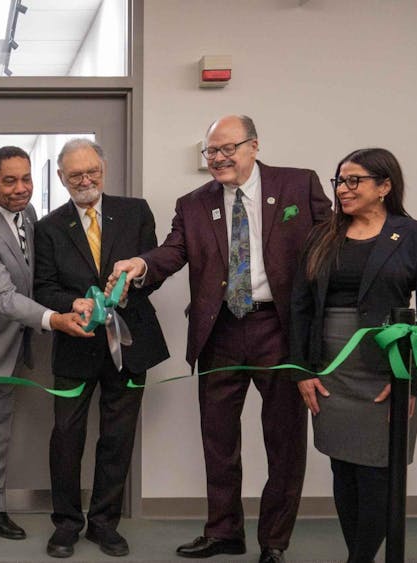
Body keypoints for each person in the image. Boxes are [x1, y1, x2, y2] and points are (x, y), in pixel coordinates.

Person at [109, 115, 332, 563]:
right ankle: (224, 531)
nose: (219, 158)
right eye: (211, 151)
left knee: (284, 442)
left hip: (280, 330)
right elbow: (173, 252)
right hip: (220, 330)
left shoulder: (297, 186)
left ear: (254, 145)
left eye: (228, 148)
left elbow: (331, 243)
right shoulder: (193, 203)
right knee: (218, 440)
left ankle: (274, 541)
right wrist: (141, 264)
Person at [290, 148, 417, 563]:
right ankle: (356, 555)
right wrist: (303, 370)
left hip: (388, 370)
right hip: (331, 369)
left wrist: (410, 380)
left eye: (354, 180)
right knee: (343, 469)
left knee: (379, 472)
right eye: (339, 180)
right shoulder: (321, 233)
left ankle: (358, 559)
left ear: (385, 186)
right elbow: (301, 306)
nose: (343, 189)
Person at [0, 145, 92, 554]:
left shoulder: (28, 215)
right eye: (9, 180)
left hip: (8, 345)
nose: (20, 188)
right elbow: (3, 298)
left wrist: (73, 300)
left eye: (26, 179)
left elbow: (31, 276)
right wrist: (55, 319)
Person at [34, 138, 169, 558]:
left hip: (131, 346)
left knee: (118, 437)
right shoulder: (49, 227)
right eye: (75, 175)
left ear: (103, 169)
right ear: (61, 178)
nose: (86, 180)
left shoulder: (136, 211)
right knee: (66, 438)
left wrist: (129, 288)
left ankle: (104, 523)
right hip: (76, 346)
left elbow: (155, 272)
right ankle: (66, 524)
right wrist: (70, 303)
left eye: (92, 171)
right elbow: (43, 287)